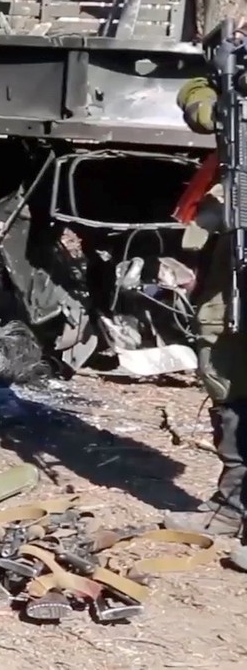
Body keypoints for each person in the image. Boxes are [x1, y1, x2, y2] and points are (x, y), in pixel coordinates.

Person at [168, 66, 247, 541]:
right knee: (221, 356)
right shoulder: (238, 48)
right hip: (236, 223)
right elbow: (201, 79)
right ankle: (232, 506)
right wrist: (206, 102)